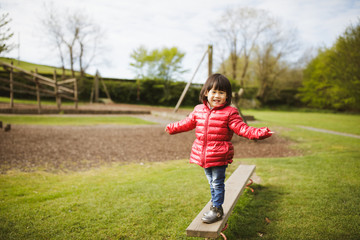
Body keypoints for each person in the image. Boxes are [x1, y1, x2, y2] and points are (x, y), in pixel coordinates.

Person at [165, 73, 272, 224]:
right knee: (211, 181)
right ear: (206, 92)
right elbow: (187, 123)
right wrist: (172, 127)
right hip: (203, 154)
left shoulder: (230, 113)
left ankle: (217, 209)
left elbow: (242, 128)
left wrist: (259, 133)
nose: (217, 96)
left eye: (221, 92)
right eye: (214, 92)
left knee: (217, 182)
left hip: (219, 153)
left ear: (227, 96)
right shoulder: (198, 110)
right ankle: (215, 204)